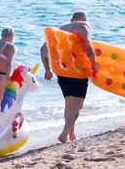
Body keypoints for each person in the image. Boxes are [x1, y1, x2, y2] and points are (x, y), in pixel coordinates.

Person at [40, 12, 98, 143]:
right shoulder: (83, 27)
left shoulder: (59, 30)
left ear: (71, 20)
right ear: (85, 20)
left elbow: (43, 49)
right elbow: (88, 47)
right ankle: (64, 134)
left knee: (69, 104)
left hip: (63, 72)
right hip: (78, 71)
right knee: (78, 106)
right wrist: (94, 65)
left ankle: (71, 136)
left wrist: (47, 69)